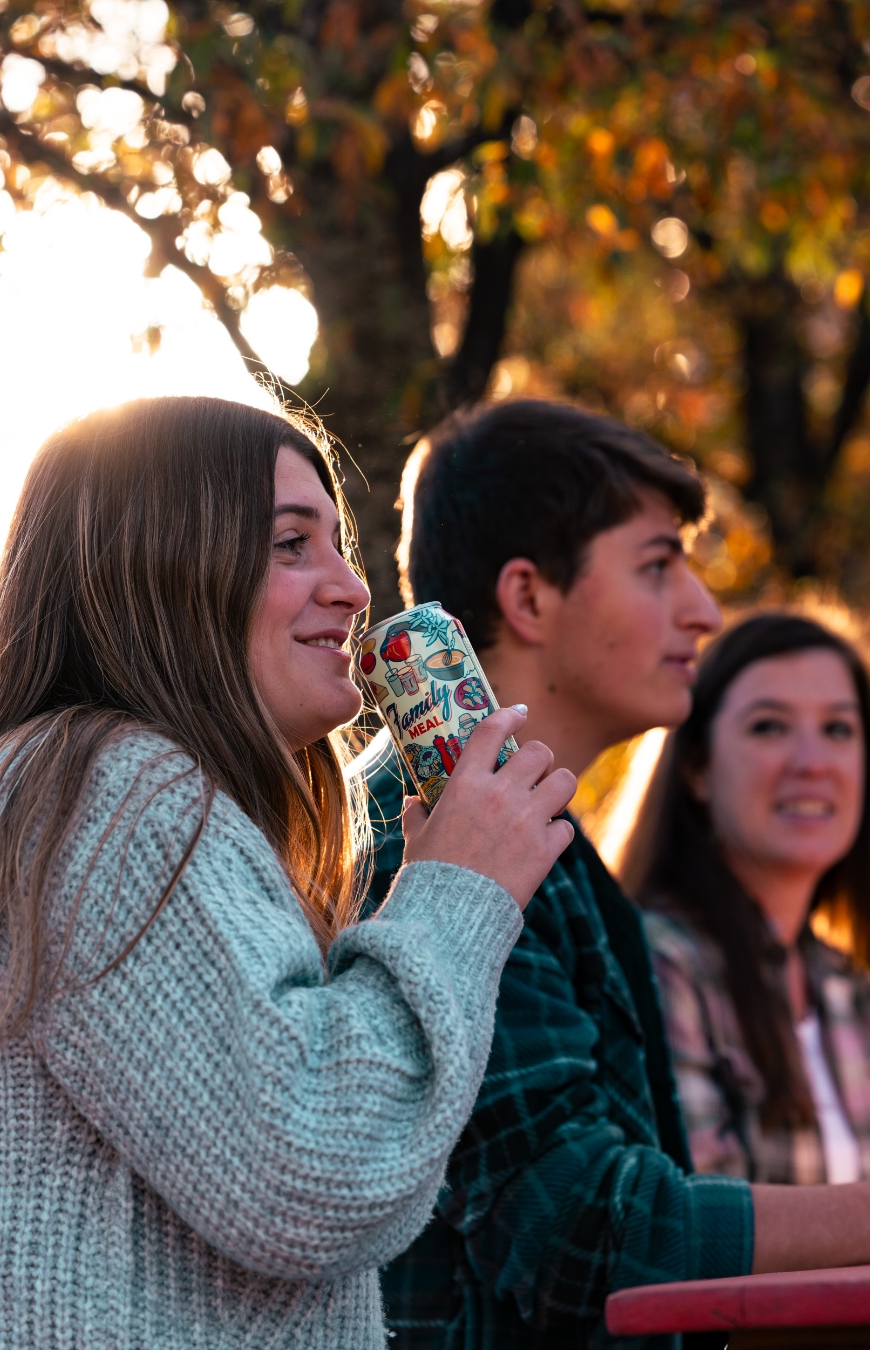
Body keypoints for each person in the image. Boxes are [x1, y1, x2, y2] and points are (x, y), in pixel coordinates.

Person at [0, 397, 578, 1349]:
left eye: (337, 544)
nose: (352, 589)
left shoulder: (63, 793)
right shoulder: (113, 795)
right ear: (162, 569)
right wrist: (457, 896)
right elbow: (317, 1169)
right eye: (293, 544)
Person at [365, 399, 870, 1350]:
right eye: (656, 565)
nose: (705, 610)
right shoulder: (444, 832)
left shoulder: (541, 841)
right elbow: (586, 1231)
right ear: (528, 598)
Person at [628, 612, 870, 1186]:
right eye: (769, 727)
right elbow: (703, 1227)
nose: (812, 762)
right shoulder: (660, 963)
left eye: (839, 729)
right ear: (698, 769)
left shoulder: (847, 986)